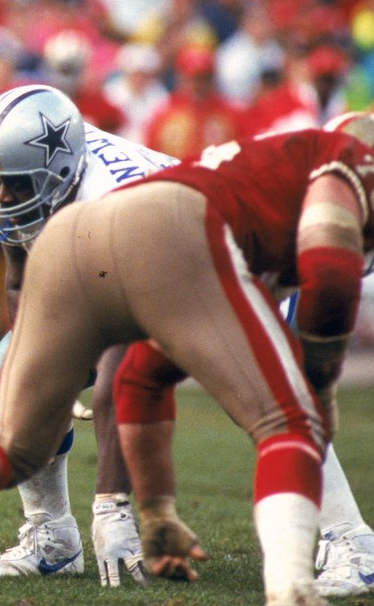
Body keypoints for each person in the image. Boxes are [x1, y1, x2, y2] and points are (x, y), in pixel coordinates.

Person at [0, 124, 374, 606]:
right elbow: (328, 271)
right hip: (177, 236)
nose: (2, 194)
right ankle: (297, 587)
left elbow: (141, 375)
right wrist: (321, 381)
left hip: (125, 237)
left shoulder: (312, 158)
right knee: (287, 416)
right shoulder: (349, 161)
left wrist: (154, 510)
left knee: (9, 446)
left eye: (15, 185)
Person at [112, 110, 374, 599]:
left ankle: (350, 541)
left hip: (263, 234)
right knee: (269, 395)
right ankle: (342, 537)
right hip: (235, 231)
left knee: (277, 397)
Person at [0, 84, 174, 586]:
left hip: (190, 263)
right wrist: (44, 373)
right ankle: (51, 536)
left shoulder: (119, 203)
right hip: (103, 269)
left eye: (19, 185)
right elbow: (19, 280)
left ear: (58, 174)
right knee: (7, 380)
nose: (3, 195)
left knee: (257, 393)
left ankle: (347, 534)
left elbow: (122, 375)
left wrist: (111, 509)